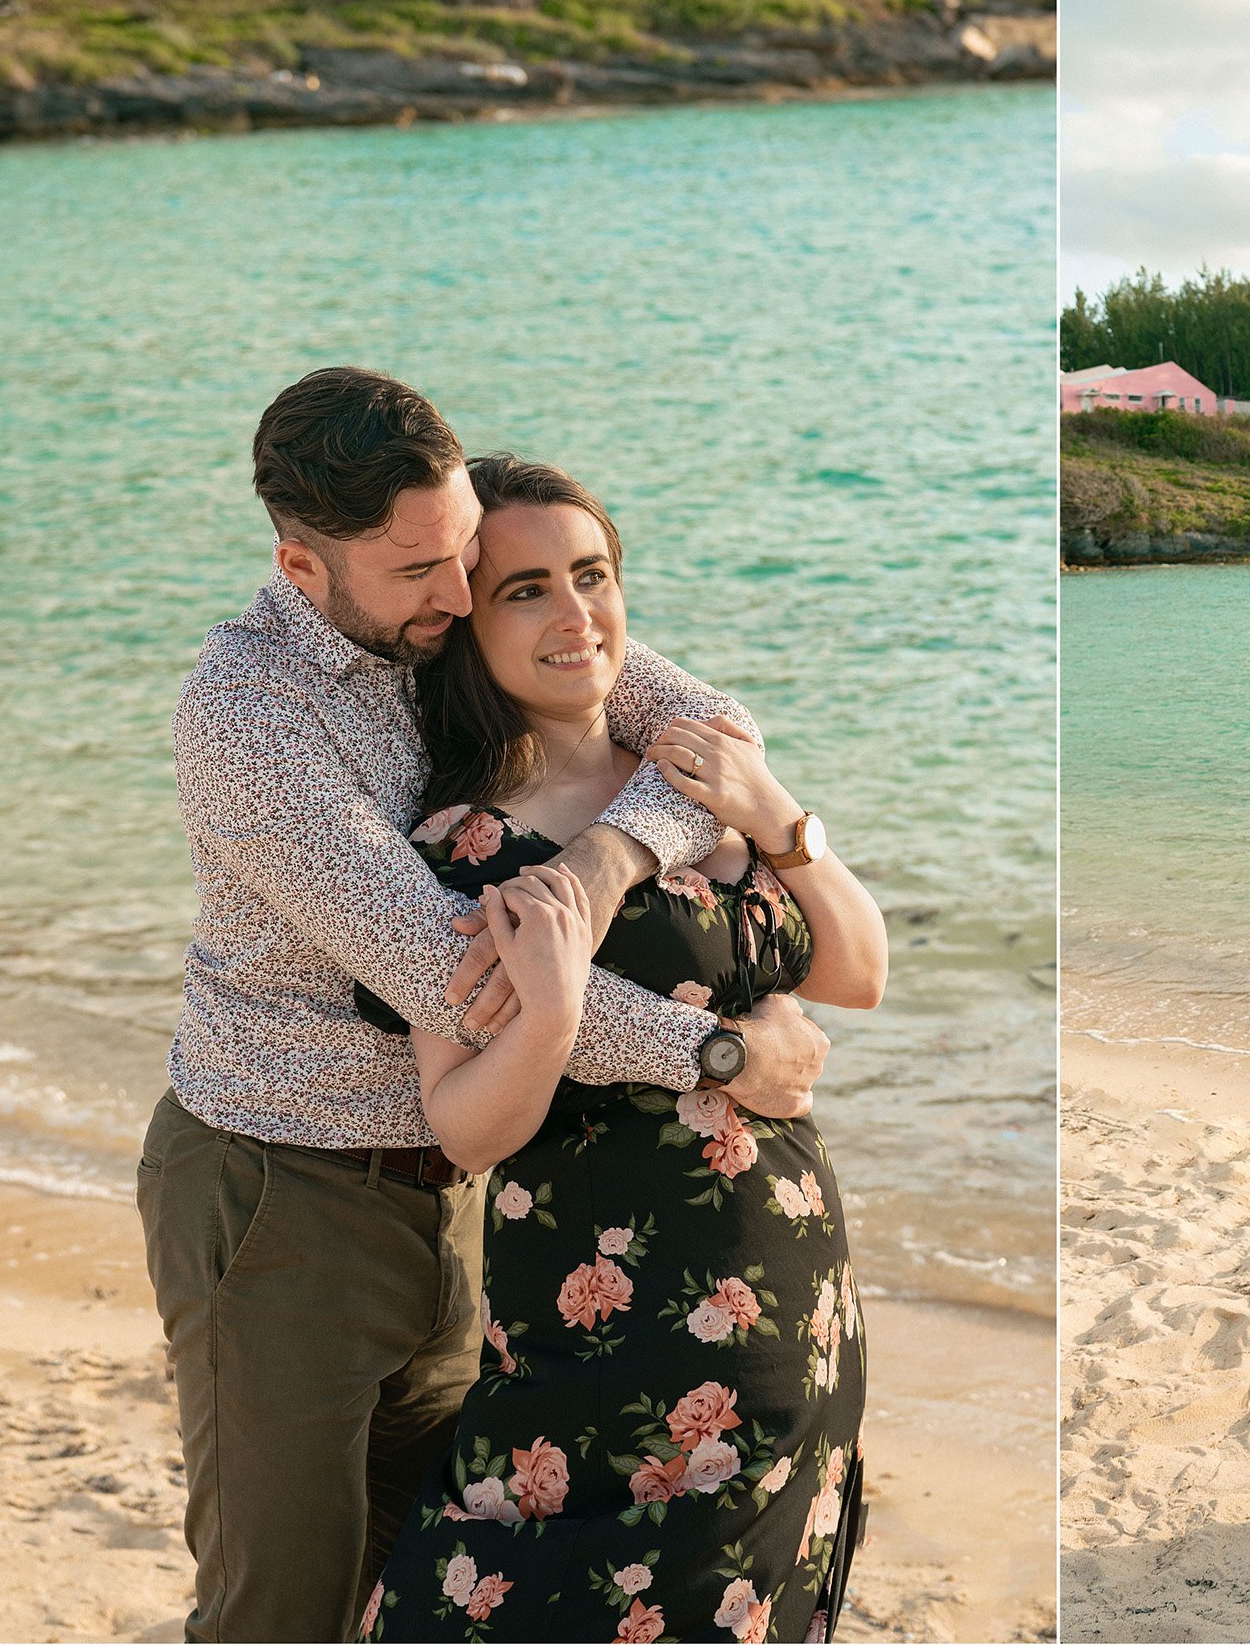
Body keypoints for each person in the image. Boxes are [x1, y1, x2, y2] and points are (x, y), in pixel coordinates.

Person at [139, 369, 828, 1643]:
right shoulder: (248, 719)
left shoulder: (440, 601)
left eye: (463, 554)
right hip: (279, 1197)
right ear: (302, 567)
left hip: (458, 1195)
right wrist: (720, 1052)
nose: (459, 598)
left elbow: (711, 727)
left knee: (417, 1585)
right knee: (279, 1608)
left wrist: (606, 859)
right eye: (417, 574)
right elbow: (460, 976)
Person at [357, 455, 887, 1643]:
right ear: (465, 626)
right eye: (525, 589)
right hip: (594, 1333)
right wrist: (548, 1020)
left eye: (590, 577)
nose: (573, 614)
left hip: (793, 1309)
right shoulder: (461, 850)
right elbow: (465, 1127)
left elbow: (856, 972)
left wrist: (777, 813)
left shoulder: (692, 784)